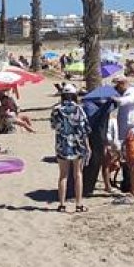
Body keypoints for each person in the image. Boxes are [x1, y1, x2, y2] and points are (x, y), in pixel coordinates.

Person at [50, 85, 90, 213]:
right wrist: (88, 146)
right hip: (77, 144)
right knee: (78, 174)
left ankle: (62, 204)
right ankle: (78, 204)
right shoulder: (79, 109)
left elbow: (53, 125)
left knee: (63, 175)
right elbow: (85, 129)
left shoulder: (56, 109)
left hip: (62, 144)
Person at [112, 75, 134, 198]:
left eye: (117, 85)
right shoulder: (129, 93)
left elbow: (127, 101)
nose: (116, 88)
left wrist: (115, 99)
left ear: (122, 83)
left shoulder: (132, 92)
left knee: (133, 163)